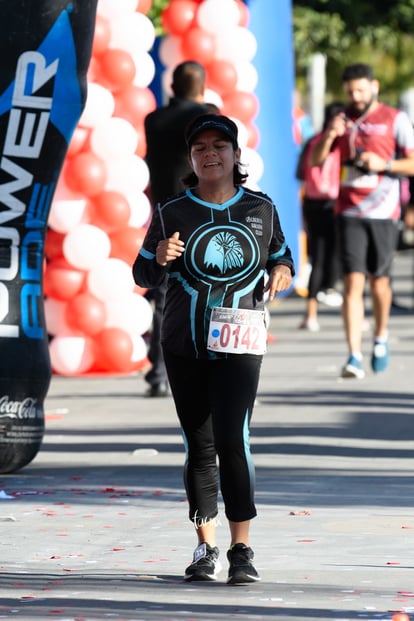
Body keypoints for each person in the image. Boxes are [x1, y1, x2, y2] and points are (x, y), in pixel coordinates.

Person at [133, 114, 294, 583]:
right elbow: (143, 274)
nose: (210, 154)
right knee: (199, 446)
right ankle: (206, 547)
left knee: (233, 439)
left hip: (240, 341)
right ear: (191, 159)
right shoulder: (171, 211)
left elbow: (280, 255)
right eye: (200, 148)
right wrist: (158, 256)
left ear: (236, 155)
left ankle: (242, 549)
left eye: (219, 146)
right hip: (183, 342)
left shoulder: (261, 209)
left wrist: (282, 272)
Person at [310, 63, 414, 378]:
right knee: (353, 281)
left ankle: (380, 338)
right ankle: (354, 354)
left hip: (384, 212)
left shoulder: (395, 119)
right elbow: (316, 162)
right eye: (350, 91)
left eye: (360, 90)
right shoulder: (341, 120)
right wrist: (330, 135)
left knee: (379, 282)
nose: (355, 96)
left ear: (374, 87)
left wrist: (384, 164)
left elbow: (412, 164)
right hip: (349, 211)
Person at [142, 61, 212, 397]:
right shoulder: (206, 116)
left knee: (163, 295)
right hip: (200, 215)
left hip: (163, 216)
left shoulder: (153, 119)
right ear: (201, 87)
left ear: (172, 86)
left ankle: (157, 373)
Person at [296, 102, 344, 332]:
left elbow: (299, 172)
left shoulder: (311, 141)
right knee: (344, 256)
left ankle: (311, 314)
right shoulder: (339, 143)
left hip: (312, 202)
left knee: (318, 255)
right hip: (334, 202)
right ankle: (331, 292)